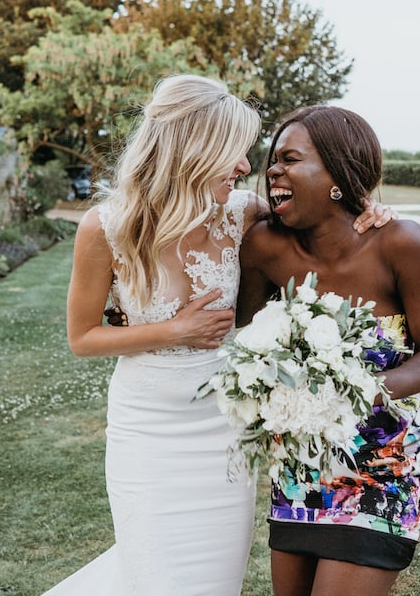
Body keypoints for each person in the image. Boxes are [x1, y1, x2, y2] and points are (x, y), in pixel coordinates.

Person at [52, 76, 390, 596]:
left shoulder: (243, 216)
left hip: (222, 437)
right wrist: (173, 329)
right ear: (194, 149)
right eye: (235, 152)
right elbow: (82, 338)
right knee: (151, 578)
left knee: (214, 582)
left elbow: (326, 223)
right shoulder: (106, 228)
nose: (245, 168)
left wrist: (371, 210)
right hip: (147, 435)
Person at [237, 105, 420, 596]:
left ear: (336, 174)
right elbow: (241, 331)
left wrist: (360, 391)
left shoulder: (402, 243)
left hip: (384, 462)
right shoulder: (265, 246)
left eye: (290, 159)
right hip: (299, 465)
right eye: (273, 160)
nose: (273, 169)